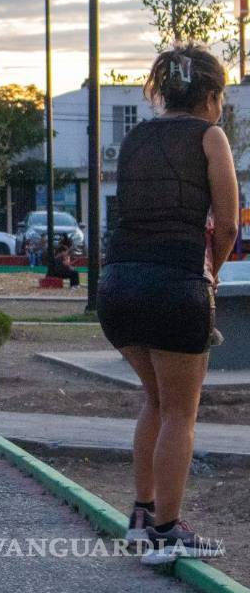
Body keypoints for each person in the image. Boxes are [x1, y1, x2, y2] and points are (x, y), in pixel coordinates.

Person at [97, 45, 237, 565]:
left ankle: (140, 517)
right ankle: (167, 530)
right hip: (174, 285)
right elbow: (226, 224)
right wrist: (212, 273)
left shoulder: (134, 137)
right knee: (181, 411)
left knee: (154, 402)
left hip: (117, 287)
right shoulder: (209, 136)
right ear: (209, 95)